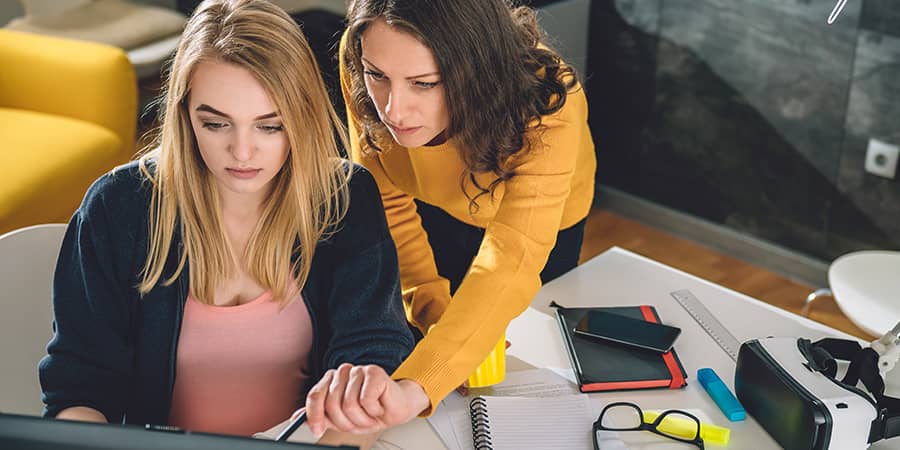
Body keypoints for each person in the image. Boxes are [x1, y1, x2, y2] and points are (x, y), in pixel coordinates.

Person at [38, 0, 414, 437]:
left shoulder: (345, 198)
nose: (242, 151)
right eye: (216, 124)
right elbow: (79, 389)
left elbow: (370, 363)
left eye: (269, 126)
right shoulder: (117, 207)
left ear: (303, 116)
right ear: (184, 113)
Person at [303, 0, 597, 435]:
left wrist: (416, 388)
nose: (393, 110)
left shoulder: (549, 101)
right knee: (448, 347)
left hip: (539, 223)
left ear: (477, 72)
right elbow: (387, 206)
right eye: (377, 77)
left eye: (424, 83)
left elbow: (511, 258)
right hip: (431, 202)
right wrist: (433, 317)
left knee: (529, 356)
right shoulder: (365, 51)